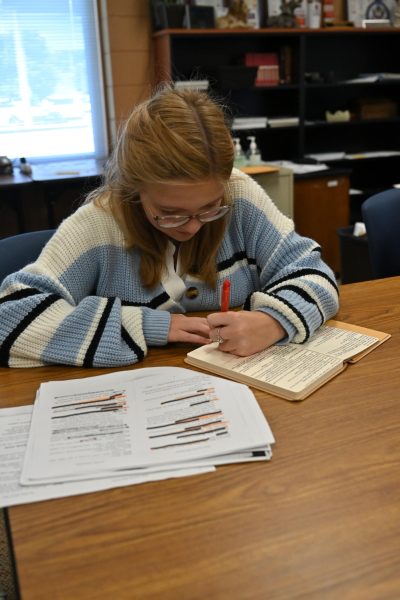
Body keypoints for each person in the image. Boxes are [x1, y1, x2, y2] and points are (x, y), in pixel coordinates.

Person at [0, 85, 339, 368]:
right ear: (134, 189)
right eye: (170, 213)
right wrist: (149, 325)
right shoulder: (101, 223)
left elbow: (315, 274)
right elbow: (8, 319)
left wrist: (274, 322)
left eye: (209, 209)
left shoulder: (238, 195)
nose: (192, 228)